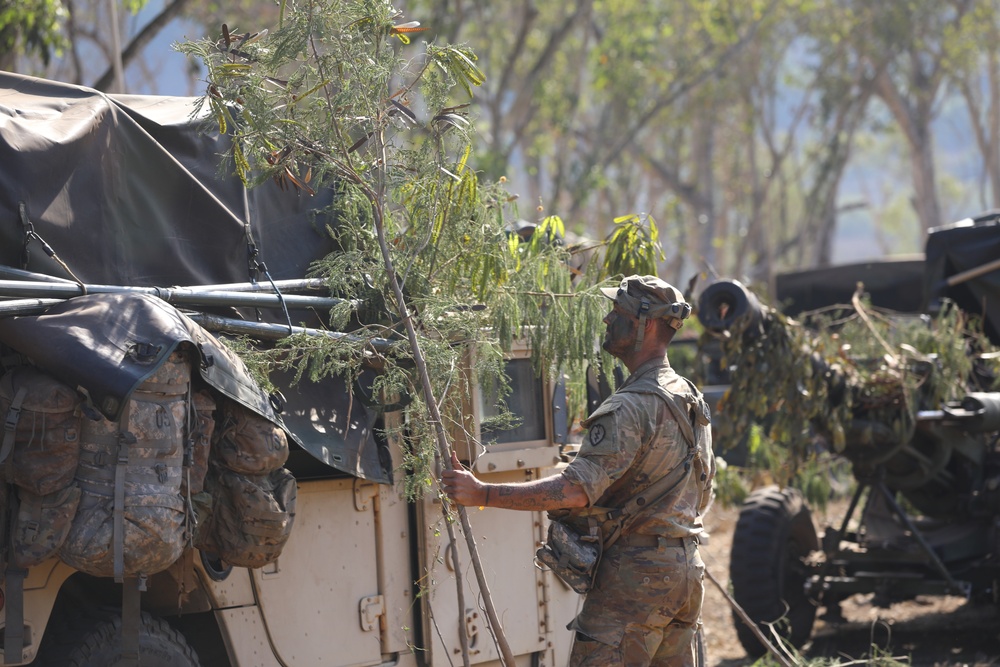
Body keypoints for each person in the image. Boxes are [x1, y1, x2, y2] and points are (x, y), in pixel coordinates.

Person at [442, 274, 715, 667]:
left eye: (617, 311)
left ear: (646, 324)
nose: (607, 320)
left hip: (635, 582)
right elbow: (704, 492)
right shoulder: (690, 398)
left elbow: (573, 491)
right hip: (686, 572)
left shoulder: (630, 408)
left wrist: (482, 494)